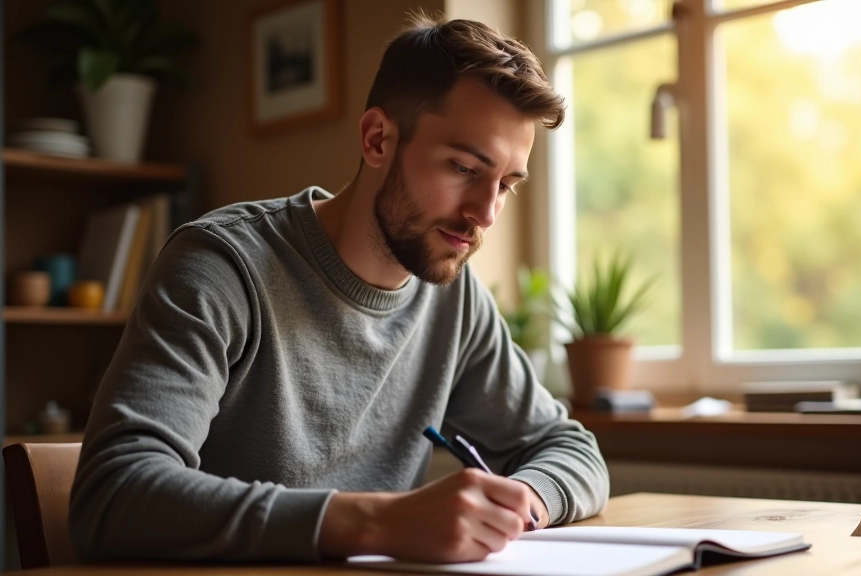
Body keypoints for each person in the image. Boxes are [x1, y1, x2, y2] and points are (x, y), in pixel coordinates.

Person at [68, 12, 609, 564]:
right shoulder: (222, 267)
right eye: (465, 168)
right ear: (378, 139)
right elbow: (114, 496)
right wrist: (376, 521)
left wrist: (524, 500)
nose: (485, 214)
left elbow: (569, 448)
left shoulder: (455, 298)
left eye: (506, 185)